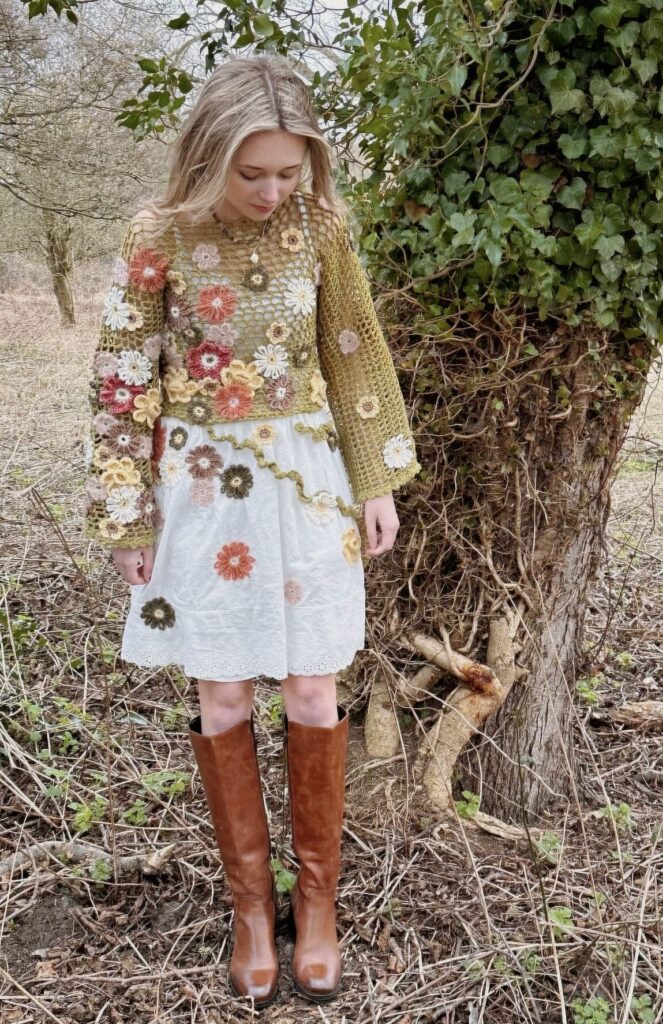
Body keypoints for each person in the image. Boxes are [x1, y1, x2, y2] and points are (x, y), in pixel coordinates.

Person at [81, 53, 421, 1009]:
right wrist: (123, 507)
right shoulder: (157, 235)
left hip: (306, 481)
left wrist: (374, 480)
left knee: (314, 684)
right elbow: (120, 377)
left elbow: (354, 354)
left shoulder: (321, 226)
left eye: (288, 170)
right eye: (253, 172)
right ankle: (247, 908)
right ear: (207, 156)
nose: (274, 191)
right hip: (198, 489)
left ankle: (317, 908)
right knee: (222, 691)